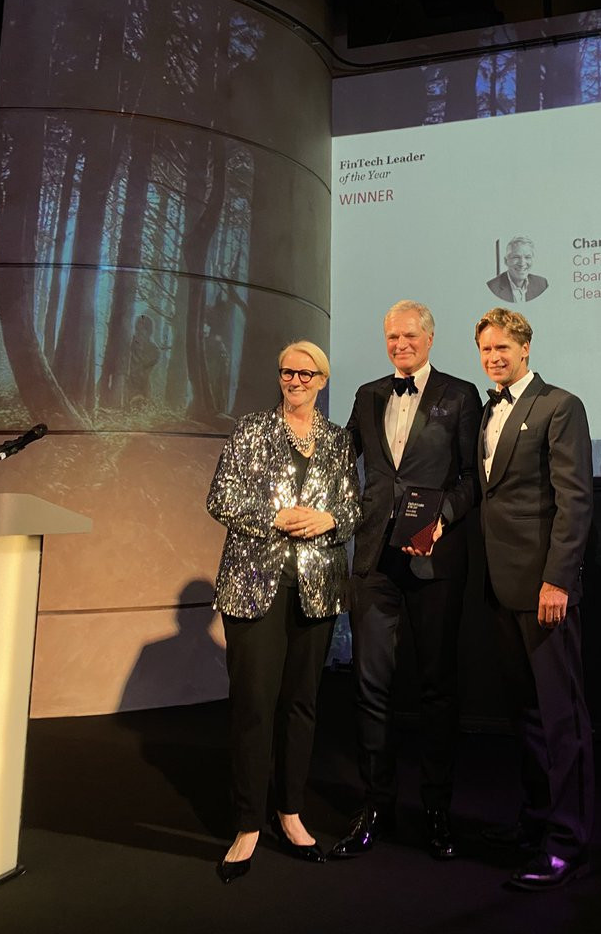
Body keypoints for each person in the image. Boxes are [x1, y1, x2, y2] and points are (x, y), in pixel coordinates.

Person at [330, 300, 482, 861]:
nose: (400, 344)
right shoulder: (368, 394)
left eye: (410, 336)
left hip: (433, 559)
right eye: (392, 336)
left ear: (430, 338)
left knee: (437, 688)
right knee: (370, 685)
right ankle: (376, 804)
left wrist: (442, 518)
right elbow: (341, 460)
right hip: (374, 561)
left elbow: (472, 476)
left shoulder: (459, 394)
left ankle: (437, 808)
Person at [207, 340, 360, 883]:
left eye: (305, 373)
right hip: (253, 586)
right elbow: (220, 498)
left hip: (316, 586)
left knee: (301, 704)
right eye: (287, 372)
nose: (295, 380)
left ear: (322, 380)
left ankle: (290, 812)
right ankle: (248, 823)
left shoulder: (338, 441)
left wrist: (329, 521)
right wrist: (275, 517)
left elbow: (352, 507)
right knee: (254, 704)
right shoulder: (250, 430)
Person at [474, 307, 594, 891]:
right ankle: (536, 820)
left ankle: (567, 841)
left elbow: (575, 500)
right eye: (486, 350)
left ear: (525, 348)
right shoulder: (487, 410)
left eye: (503, 347)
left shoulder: (560, 406)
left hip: (544, 588)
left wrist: (558, 580)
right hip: (502, 585)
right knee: (524, 715)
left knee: (560, 716)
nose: (494, 357)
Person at [487, 236, 548, 303]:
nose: (522, 263)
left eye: (527, 257)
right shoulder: (492, 288)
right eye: (516, 257)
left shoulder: (542, 284)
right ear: (506, 261)